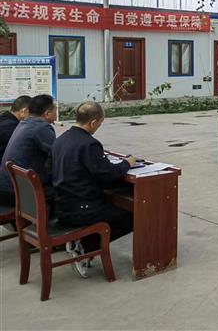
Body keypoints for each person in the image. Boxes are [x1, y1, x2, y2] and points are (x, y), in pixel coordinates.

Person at [51, 102, 136, 278]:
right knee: (135, 215)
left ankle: (81, 242)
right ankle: (85, 248)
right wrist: (127, 163)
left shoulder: (61, 140)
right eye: (100, 123)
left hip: (61, 204)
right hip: (82, 209)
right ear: (93, 122)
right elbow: (108, 174)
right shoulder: (89, 144)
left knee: (112, 203)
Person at [0, 94, 57, 207]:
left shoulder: (23, 123)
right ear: (47, 113)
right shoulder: (41, 128)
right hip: (16, 192)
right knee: (68, 191)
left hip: (7, 186)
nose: (56, 114)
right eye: (55, 111)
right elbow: (59, 155)